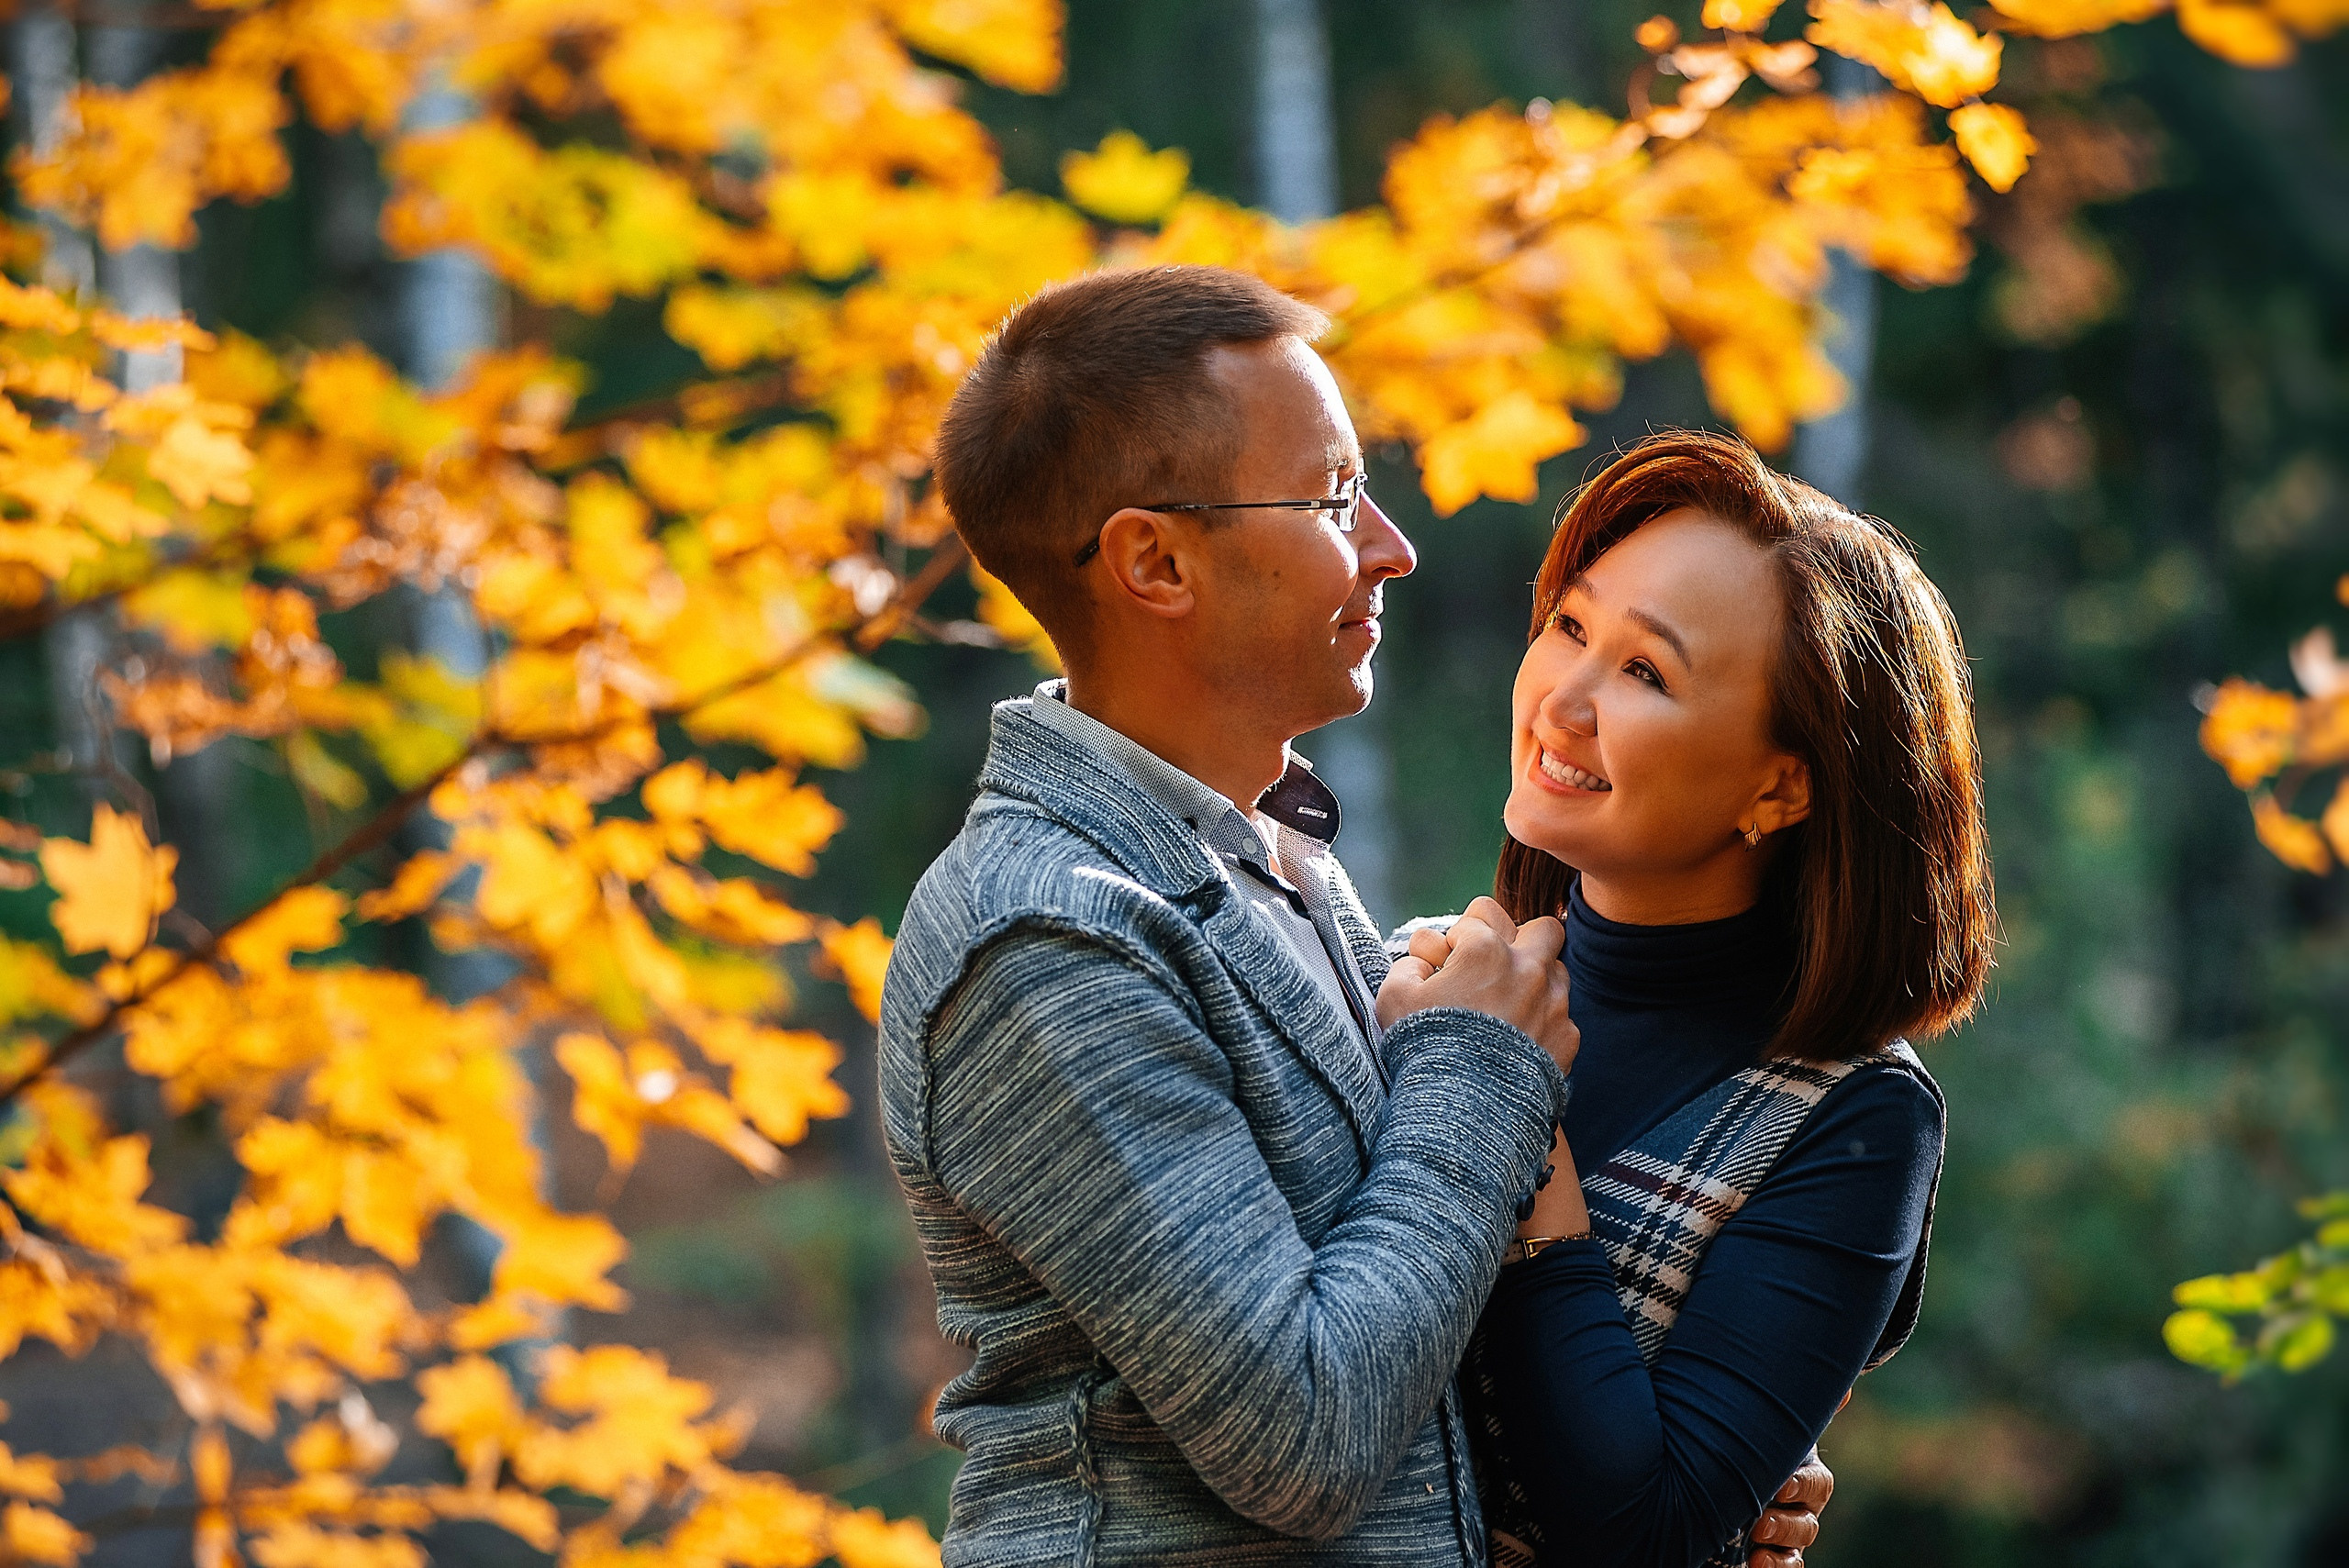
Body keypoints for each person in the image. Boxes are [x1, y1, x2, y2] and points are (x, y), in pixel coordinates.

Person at [880, 266, 1838, 1567]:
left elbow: (1387, 1309)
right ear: (1154, 560)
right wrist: (1482, 1068)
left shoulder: (1263, 860)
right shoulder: (1048, 938)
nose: (1393, 544)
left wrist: (1694, 1464)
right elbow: (1307, 1438)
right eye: (1333, 498)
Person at [1386, 431, 1994, 1568]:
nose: (1563, 699)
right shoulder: (1413, 975)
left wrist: (1513, 1126)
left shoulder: (1850, 1119)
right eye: (1571, 624)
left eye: (1644, 672)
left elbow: (1640, 1528)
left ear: (1780, 783)